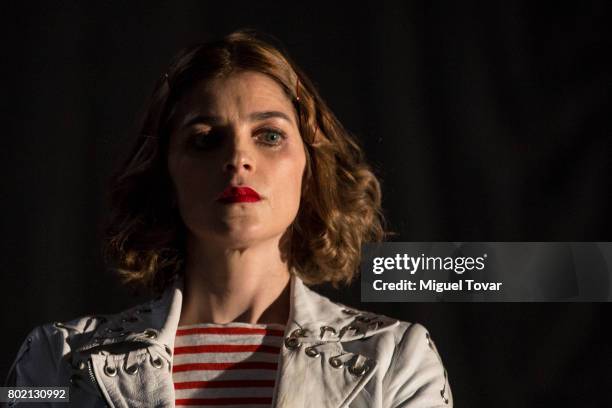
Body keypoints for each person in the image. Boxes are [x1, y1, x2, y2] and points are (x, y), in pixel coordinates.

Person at [5, 29, 453, 407]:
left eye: (270, 135)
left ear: (310, 164)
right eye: (205, 139)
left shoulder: (397, 360)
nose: (238, 157)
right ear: (165, 169)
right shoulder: (56, 360)